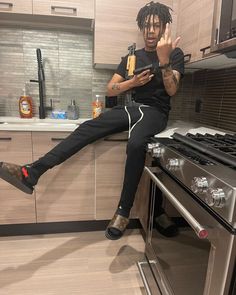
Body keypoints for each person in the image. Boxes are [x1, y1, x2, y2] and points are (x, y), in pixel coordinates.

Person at [0, 1, 184, 240]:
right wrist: (133, 83)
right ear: (141, 27)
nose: (150, 31)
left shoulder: (174, 54)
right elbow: (110, 90)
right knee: (87, 126)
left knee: (136, 144)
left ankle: (123, 212)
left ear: (163, 28)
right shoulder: (132, 57)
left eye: (156, 26)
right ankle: (32, 172)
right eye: (146, 26)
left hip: (155, 112)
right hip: (131, 108)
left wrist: (164, 60)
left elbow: (172, 90)